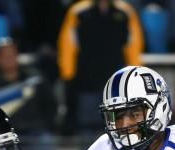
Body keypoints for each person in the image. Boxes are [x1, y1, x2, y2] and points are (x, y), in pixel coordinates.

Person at [58, 0, 143, 137]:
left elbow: (133, 47)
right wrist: (68, 77)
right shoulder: (78, 12)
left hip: (115, 87)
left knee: (118, 128)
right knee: (86, 130)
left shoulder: (125, 11)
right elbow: (67, 46)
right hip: (86, 83)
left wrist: (134, 75)